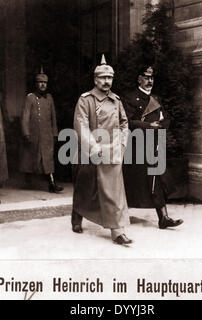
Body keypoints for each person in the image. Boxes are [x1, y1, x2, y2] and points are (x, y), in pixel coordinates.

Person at [71, 54, 132, 245]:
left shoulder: (116, 100)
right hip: (92, 150)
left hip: (113, 151)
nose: (107, 82)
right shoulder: (85, 100)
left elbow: (124, 123)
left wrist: (122, 143)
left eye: (110, 78)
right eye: (103, 78)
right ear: (95, 79)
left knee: (113, 191)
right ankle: (77, 214)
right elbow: (81, 125)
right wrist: (94, 148)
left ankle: (117, 231)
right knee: (86, 187)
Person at [121, 66, 183, 229]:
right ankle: (118, 216)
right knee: (131, 182)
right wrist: (149, 125)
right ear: (139, 79)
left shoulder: (156, 99)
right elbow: (126, 121)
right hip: (136, 147)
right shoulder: (129, 98)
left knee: (158, 179)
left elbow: (166, 119)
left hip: (154, 146)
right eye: (146, 77)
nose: (150, 81)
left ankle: (164, 217)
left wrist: (161, 128)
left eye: (152, 78)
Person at [20, 67, 63, 193]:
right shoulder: (30, 97)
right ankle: (28, 179)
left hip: (47, 135)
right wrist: (25, 132)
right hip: (33, 134)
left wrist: (55, 133)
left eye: (45, 83)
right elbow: (25, 116)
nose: (43, 85)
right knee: (31, 157)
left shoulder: (49, 98)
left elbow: (53, 117)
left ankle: (52, 183)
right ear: (36, 84)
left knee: (48, 158)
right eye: (40, 82)